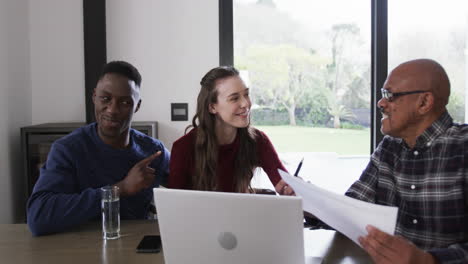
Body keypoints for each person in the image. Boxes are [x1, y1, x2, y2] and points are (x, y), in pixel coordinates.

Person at [27, 61, 170, 236]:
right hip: (80, 248)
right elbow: (38, 217)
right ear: (94, 97)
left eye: (125, 102)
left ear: (137, 105)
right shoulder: (68, 149)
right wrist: (120, 189)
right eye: (105, 98)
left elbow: (191, 188)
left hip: (135, 247)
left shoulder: (153, 151)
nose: (112, 110)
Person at [345, 59, 467, 263]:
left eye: (390, 95)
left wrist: (428, 260)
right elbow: (353, 207)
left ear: (424, 103)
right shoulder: (388, 148)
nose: (381, 103)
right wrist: (308, 203)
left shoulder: (463, 148)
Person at [167, 66, 292, 194]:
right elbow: (175, 206)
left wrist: (292, 188)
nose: (246, 104)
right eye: (234, 98)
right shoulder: (183, 148)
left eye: (246, 94)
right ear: (212, 107)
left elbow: (283, 183)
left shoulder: (258, 140)